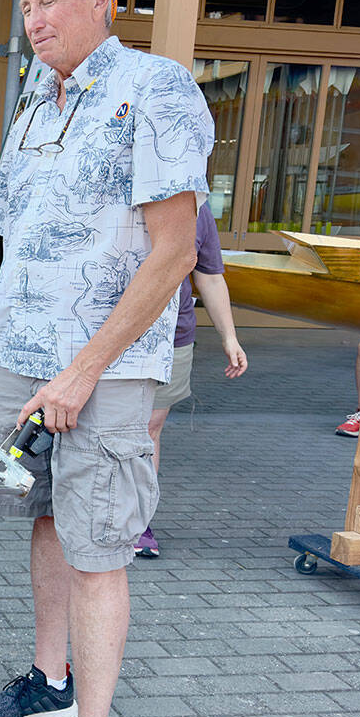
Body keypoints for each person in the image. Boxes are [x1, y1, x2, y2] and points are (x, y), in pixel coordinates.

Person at [0, 0, 214, 717]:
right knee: (42, 519)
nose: (33, 21)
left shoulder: (156, 90)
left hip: (98, 371)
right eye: (26, 6)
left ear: (101, 0)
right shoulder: (36, 103)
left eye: (48, 3)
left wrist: (84, 367)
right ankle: (48, 680)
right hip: (17, 357)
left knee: (100, 548)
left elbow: (174, 251)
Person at [133, 200, 248, 558]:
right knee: (103, 425)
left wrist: (229, 337)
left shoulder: (198, 208)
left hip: (172, 335)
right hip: (106, 332)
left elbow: (210, 275)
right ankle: (92, 514)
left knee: (148, 429)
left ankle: (137, 523)